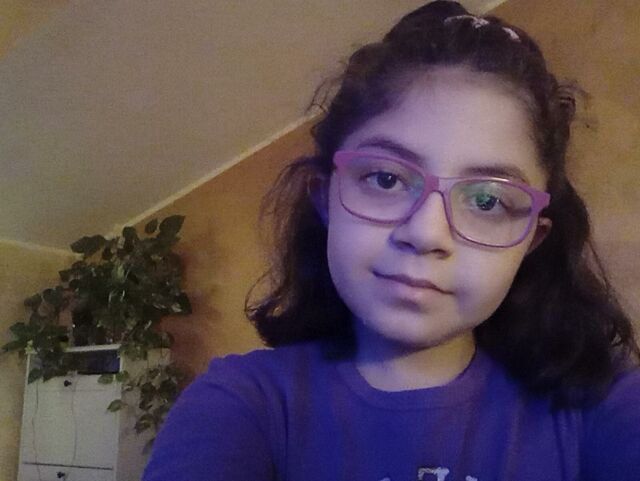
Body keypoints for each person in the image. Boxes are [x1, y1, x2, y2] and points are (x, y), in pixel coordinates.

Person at [143, 1, 640, 480]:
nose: (425, 233)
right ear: (326, 197)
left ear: (531, 237)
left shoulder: (599, 405)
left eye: (487, 200)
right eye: (385, 179)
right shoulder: (244, 404)